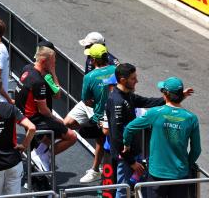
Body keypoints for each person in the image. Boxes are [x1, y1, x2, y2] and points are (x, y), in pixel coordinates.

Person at [123, 76, 199, 198]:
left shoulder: (154, 113)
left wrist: (126, 145)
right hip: (180, 174)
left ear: (165, 94)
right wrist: (186, 166)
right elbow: (196, 150)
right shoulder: (191, 118)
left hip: (156, 174)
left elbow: (129, 128)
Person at [105, 63, 166, 198]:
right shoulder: (117, 101)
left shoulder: (129, 95)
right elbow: (116, 136)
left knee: (137, 187)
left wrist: (171, 98)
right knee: (123, 190)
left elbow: (147, 102)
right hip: (126, 157)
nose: (136, 81)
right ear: (122, 80)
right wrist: (131, 162)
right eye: (133, 78)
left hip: (134, 151)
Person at [15, 45, 77, 171]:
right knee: (72, 136)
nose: (54, 64)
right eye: (53, 62)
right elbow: (44, 110)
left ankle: (39, 153)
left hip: (21, 115)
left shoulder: (27, 68)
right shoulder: (39, 82)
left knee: (56, 128)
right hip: (35, 119)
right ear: (44, 61)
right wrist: (56, 119)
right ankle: (43, 155)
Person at [64, 43, 116, 182]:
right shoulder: (116, 70)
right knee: (68, 123)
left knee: (102, 140)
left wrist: (97, 103)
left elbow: (86, 100)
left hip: (101, 114)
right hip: (107, 111)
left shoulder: (90, 77)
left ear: (93, 60)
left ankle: (96, 170)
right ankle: (97, 170)